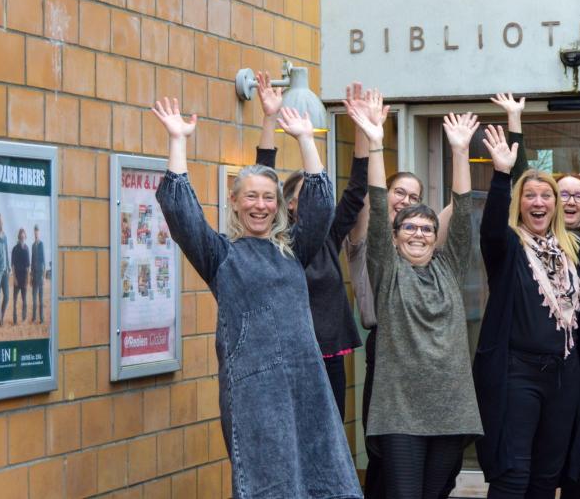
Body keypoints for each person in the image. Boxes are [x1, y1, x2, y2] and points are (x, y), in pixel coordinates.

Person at [151, 97, 361, 499]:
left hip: (307, 386)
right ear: (234, 202)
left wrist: (305, 139)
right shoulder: (220, 255)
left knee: (324, 482)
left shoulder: (294, 250)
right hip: (255, 396)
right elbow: (182, 216)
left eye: (268, 197)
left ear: (279, 205)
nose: (260, 206)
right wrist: (177, 141)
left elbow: (320, 208)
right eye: (250, 197)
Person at [474, 125, 580, 498]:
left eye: (546, 195)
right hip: (518, 375)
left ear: (555, 205)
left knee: (546, 476)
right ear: (519, 204)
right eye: (530, 195)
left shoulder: (572, 248)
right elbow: (490, 230)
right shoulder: (508, 248)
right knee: (513, 476)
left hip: (565, 376)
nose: (538, 202)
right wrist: (501, 175)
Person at [346, 91, 483, 499]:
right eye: (409, 227)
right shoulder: (387, 270)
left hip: (451, 406)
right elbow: (376, 204)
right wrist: (375, 142)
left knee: (436, 493)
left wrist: (460, 151)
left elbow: (461, 211)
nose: (419, 233)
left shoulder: (448, 266)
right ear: (394, 236)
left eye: (426, 227)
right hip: (399, 409)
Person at [251, 72, 364, 421]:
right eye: (307, 196)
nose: (316, 203)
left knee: (330, 431)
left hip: (328, 353)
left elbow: (356, 191)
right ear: (290, 203)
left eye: (320, 198)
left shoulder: (328, 235)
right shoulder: (273, 238)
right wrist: (270, 118)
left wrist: (362, 129)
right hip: (285, 355)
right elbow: (262, 177)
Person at [12, 228, 30, 325]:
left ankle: (23, 318)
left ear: (25, 237)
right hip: (17, 279)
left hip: (24, 279)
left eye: (23, 236)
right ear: (19, 237)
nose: (22, 238)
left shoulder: (27, 249)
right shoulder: (14, 249)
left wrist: (27, 279)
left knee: (24, 300)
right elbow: (13, 265)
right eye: (21, 236)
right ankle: (15, 320)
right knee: (14, 301)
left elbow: (27, 266)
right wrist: (14, 278)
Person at [0, 214, 9, 326]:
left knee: (7, 296)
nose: (1, 223)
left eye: (2, 221)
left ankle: (2, 316)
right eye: (0, 221)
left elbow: (7, 253)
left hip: (5, 271)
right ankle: (0, 319)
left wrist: (8, 267)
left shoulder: (5, 237)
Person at [30, 225, 45, 323]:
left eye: (37, 232)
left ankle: (42, 318)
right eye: (35, 232)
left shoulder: (41, 244)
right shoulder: (32, 245)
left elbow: (43, 260)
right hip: (34, 275)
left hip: (40, 275)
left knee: (41, 299)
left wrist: (43, 276)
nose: (36, 234)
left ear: (39, 233)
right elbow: (32, 261)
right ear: (34, 233)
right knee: (34, 299)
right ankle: (34, 318)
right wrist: (31, 276)